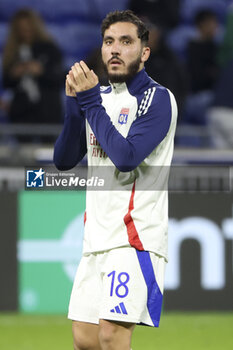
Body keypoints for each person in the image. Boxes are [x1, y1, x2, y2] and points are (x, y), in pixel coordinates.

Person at [54, 10, 177, 350]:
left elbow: (125, 159)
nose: (115, 50)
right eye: (109, 42)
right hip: (96, 238)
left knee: (112, 335)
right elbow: (64, 161)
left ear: (144, 52)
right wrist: (72, 105)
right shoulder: (101, 97)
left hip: (134, 236)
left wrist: (89, 101)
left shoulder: (156, 99)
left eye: (126, 42)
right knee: (85, 339)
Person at [2, 9, 64, 126]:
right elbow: (6, 82)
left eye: (28, 27)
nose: (25, 31)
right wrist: (15, 74)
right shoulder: (11, 52)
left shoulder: (50, 49)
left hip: (48, 109)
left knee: (49, 143)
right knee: (23, 143)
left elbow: (60, 77)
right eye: (21, 28)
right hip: (21, 111)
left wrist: (41, 71)